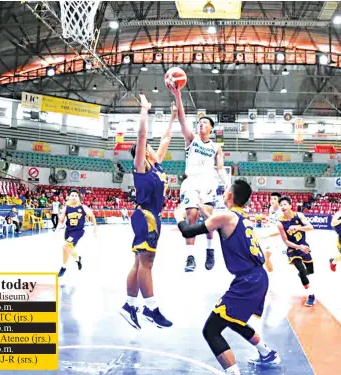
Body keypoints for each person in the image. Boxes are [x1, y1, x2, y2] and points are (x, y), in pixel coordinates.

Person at [174, 179, 281, 373]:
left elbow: (187, 231)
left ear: (230, 196)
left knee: (211, 330)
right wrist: (200, 206)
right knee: (233, 320)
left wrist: (178, 216)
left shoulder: (225, 217)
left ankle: (233, 372)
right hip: (258, 277)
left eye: (225, 192)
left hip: (247, 281)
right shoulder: (241, 217)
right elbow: (216, 219)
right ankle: (267, 353)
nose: (223, 195)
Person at [120, 96, 175, 330]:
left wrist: (173, 115)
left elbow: (166, 138)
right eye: (146, 147)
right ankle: (150, 308)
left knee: (139, 262)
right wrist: (144, 110)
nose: (151, 147)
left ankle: (129, 305)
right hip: (146, 217)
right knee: (147, 262)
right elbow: (142, 137)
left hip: (153, 217)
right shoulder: (141, 166)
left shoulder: (158, 166)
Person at [169, 85, 228, 272]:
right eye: (199, 122)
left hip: (209, 183)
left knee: (208, 218)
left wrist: (227, 184)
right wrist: (178, 95)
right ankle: (190, 256)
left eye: (204, 123)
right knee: (191, 216)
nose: (200, 124)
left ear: (211, 128)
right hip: (191, 181)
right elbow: (182, 118)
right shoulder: (191, 139)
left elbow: (220, 168)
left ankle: (210, 250)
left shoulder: (216, 147)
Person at [277, 197, 315, 307]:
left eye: (284, 204)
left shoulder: (299, 216)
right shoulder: (280, 223)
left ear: (290, 205)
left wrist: (298, 227)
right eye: (281, 205)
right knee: (302, 270)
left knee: (310, 271)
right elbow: (286, 241)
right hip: (293, 249)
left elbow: (310, 227)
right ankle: (311, 295)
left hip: (304, 247)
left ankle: (302, 275)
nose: (283, 207)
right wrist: (298, 247)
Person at [58, 189, 97, 277]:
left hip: (78, 231)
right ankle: (77, 258)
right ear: (69, 197)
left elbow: (92, 217)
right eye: (72, 195)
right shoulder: (66, 207)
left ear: (79, 198)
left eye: (76, 195)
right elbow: (61, 220)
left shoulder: (83, 207)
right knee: (68, 249)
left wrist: (95, 229)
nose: (74, 197)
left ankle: (63, 267)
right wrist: (56, 230)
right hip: (68, 231)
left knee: (65, 247)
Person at [257, 192, 283, 273]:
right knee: (265, 257)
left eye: (275, 199)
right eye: (271, 199)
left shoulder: (282, 212)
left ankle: (271, 274)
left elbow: (282, 230)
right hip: (269, 236)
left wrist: (268, 235)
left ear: (279, 201)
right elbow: (272, 221)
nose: (272, 200)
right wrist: (266, 218)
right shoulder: (271, 208)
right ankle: (270, 273)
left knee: (266, 257)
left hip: (276, 238)